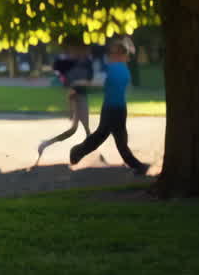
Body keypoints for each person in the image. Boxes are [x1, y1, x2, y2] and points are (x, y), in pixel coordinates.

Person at [69, 39, 150, 177]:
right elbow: (97, 84)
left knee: (104, 137)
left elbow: (95, 84)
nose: (109, 56)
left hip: (113, 109)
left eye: (112, 54)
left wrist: (78, 85)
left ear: (116, 55)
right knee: (111, 139)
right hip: (115, 109)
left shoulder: (112, 68)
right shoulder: (123, 69)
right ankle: (138, 166)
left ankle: (77, 152)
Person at [34, 43, 94, 165]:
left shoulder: (85, 62)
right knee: (76, 129)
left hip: (81, 96)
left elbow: (87, 79)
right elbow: (69, 83)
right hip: (76, 97)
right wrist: (70, 107)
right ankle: (46, 144)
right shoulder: (72, 62)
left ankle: (46, 144)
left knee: (83, 130)